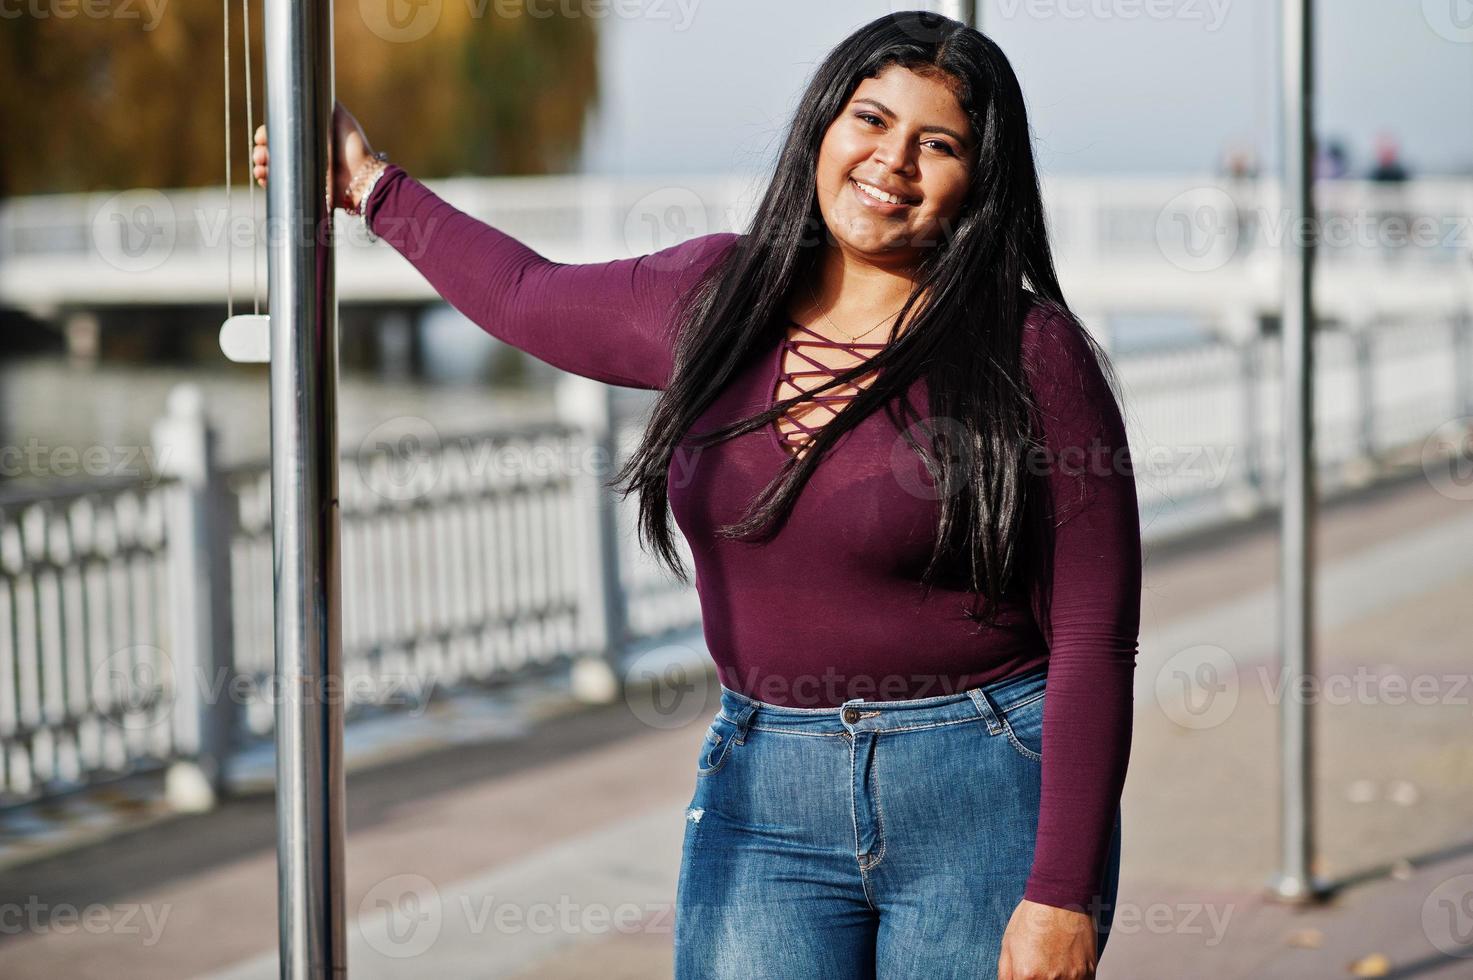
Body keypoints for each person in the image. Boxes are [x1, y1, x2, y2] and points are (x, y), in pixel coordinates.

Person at [254, 12, 1140, 978]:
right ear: (821, 129)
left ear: (980, 179)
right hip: (765, 795)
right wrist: (368, 184)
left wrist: (1061, 894)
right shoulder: (719, 296)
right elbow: (523, 293)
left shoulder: (1029, 351)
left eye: (939, 144)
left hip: (977, 793)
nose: (893, 161)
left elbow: (1094, 635)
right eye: (870, 120)